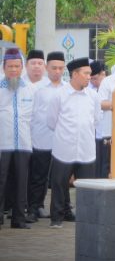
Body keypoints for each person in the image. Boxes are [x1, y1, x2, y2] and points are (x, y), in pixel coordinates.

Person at [47, 56, 98, 228]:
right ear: (75, 74)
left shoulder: (93, 96)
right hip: (64, 148)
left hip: (86, 149)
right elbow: (51, 121)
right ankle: (57, 218)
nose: (89, 77)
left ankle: (86, 219)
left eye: (90, 74)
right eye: (86, 73)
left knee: (86, 187)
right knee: (59, 184)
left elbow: (96, 120)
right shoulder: (59, 95)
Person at [27, 51, 64, 221]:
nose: (57, 71)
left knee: (59, 178)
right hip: (40, 139)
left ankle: (61, 209)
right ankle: (34, 208)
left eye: (60, 68)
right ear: (46, 68)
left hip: (61, 141)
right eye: (54, 68)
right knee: (38, 176)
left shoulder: (67, 88)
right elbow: (29, 115)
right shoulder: (36, 88)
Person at [1, 48, 34, 229]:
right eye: (10, 66)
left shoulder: (30, 89)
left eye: (17, 66)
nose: (13, 70)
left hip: (23, 143)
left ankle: (19, 219)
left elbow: (35, 117)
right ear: (4, 67)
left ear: (22, 67)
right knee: (1, 180)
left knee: (22, 182)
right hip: (2, 143)